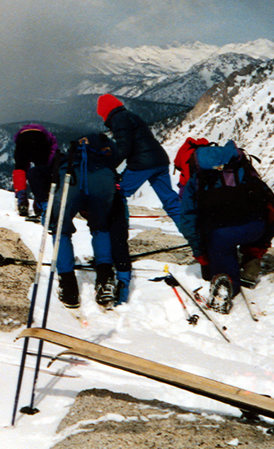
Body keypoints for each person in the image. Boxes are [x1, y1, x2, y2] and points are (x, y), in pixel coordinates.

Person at [179, 140, 274, 313]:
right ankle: (251, 263)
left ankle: (227, 284)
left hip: (221, 236)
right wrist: (260, 246)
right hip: (255, 228)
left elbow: (188, 222)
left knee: (222, 260)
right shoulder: (244, 172)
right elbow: (272, 209)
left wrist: (201, 255)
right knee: (250, 225)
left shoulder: (196, 181)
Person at [49, 133, 132, 308]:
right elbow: (114, 160)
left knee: (60, 230)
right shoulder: (106, 147)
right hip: (102, 179)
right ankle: (105, 281)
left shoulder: (72, 152)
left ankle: (68, 287)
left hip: (70, 176)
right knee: (101, 228)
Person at [97, 94, 186, 238]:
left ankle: (120, 232)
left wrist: (109, 166)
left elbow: (123, 146)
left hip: (142, 163)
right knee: (169, 199)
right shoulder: (130, 115)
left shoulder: (118, 119)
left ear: (105, 111)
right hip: (160, 161)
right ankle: (193, 235)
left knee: (118, 192)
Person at [11, 124, 58, 222]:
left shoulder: (20, 135)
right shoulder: (49, 137)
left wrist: (24, 167)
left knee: (19, 170)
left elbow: (16, 140)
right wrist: (47, 166)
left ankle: (22, 201)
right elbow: (54, 151)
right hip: (40, 140)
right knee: (40, 173)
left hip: (22, 139)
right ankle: (39, 204)